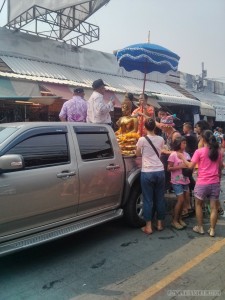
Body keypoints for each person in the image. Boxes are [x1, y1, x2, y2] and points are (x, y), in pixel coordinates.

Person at [178, 130, 223, 237]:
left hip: (202, 182)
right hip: (215, 182)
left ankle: (200, 227)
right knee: (214, 207)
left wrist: (182, 157)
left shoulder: (200, 152)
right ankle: (212, 230)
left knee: (198, 205)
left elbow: (190, 166)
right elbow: (220, 167)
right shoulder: (218, 152)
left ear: (203, 139)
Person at [136, 118, 166, 234]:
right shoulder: (161, 139)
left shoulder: (142, 140)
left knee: (148, 200)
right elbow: (161, 150)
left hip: (147, 172)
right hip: (159, 171)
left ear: (145, 127)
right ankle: (159, 224)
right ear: (154, 127)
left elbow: (138, 153)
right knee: (160, 198)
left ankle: (148, 227)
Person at [167, 136, 191, 230]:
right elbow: (169, 168)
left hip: (185, 180)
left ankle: (179, 218)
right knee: (180, 200)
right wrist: (180, 166)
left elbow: (189, 165)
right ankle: (174, 221)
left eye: (185, 143)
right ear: (178, 144)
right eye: (183, 143)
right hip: (176, 181)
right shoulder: (173, 155)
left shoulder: (186, 154)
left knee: (183, 201)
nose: (185, 144)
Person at [160, 115, 181, 192]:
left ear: (168, 126)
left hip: (175, 163)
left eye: (163, 126)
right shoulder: (167, 133)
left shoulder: (175, 135)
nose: (161, 128)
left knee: (179, 181)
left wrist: (165, 151)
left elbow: (179, 152)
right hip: (169, 159)